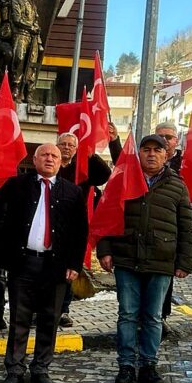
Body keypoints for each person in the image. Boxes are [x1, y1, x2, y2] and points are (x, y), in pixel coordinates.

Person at [98, 135, 192, 383]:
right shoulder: (122, 179)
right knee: (127, 315)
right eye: (146, 150)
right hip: (126, 259)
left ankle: (149, 365)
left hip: (161, 261)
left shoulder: (177, 185)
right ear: (139, 153)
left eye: (157, 150)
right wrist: (104, 251)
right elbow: (107, 215)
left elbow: (187, 225)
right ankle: (126, 366)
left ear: (166, 155)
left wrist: (185, 261)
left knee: (152, 317)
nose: (151, 154)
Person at [0, 143, 87, 383]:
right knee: (19, 318)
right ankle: (14, 369)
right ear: (34, 160)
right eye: (44, 154)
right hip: (23, 263)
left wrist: (75, 264)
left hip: (55, 266)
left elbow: (80, 232)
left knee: (49, 320)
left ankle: (41, 368)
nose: (49, 159)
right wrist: (2, 253)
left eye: (54, 156)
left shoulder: (72, 192)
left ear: (60, 162)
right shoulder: (17, 186)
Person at [55, 123, 123, 327]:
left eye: (71, 145)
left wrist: (91, 155)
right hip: (49, 224)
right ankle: (41, 309)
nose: (66, 147)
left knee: (69, 270)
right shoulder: (51, 164)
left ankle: (63, 310)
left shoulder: (82, 168)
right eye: (63, 144)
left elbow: (104, 175)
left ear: (76, 149)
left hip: (73, 226)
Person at [154, 122, 183, 321]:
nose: (165, 140)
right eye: (161, 136)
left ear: (176, 141)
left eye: (169, 137)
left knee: (167, 275)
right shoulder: (147, 157)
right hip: (150, 224)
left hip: (174, 227)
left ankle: (162, 316)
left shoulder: (186, 162)